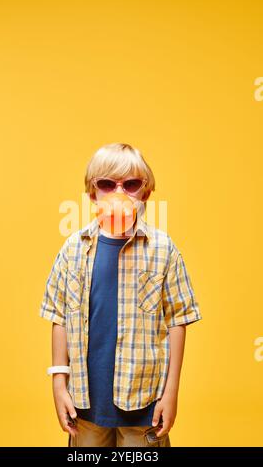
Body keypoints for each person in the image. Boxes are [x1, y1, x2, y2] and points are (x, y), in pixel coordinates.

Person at [39, 142, 202, 447]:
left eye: (130, 185)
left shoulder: (163, 249)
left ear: (146, 193)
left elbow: (178, 320)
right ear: (92, 193)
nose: (118, 193)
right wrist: (59, 383)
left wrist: (171, 393)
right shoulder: (73, 250)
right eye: (106, 184)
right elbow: (58, 315)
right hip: (85, 403)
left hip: (144, 404)